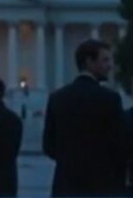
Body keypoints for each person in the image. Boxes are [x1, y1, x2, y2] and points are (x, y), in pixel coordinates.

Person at [42, 39, 127, 196]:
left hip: (66, 185)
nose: (110, 66)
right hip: (102, 184)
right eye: (105, 60)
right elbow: (120, 146)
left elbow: (48, 146)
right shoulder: (110, 99)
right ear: (89, 61)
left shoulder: (57, 98)